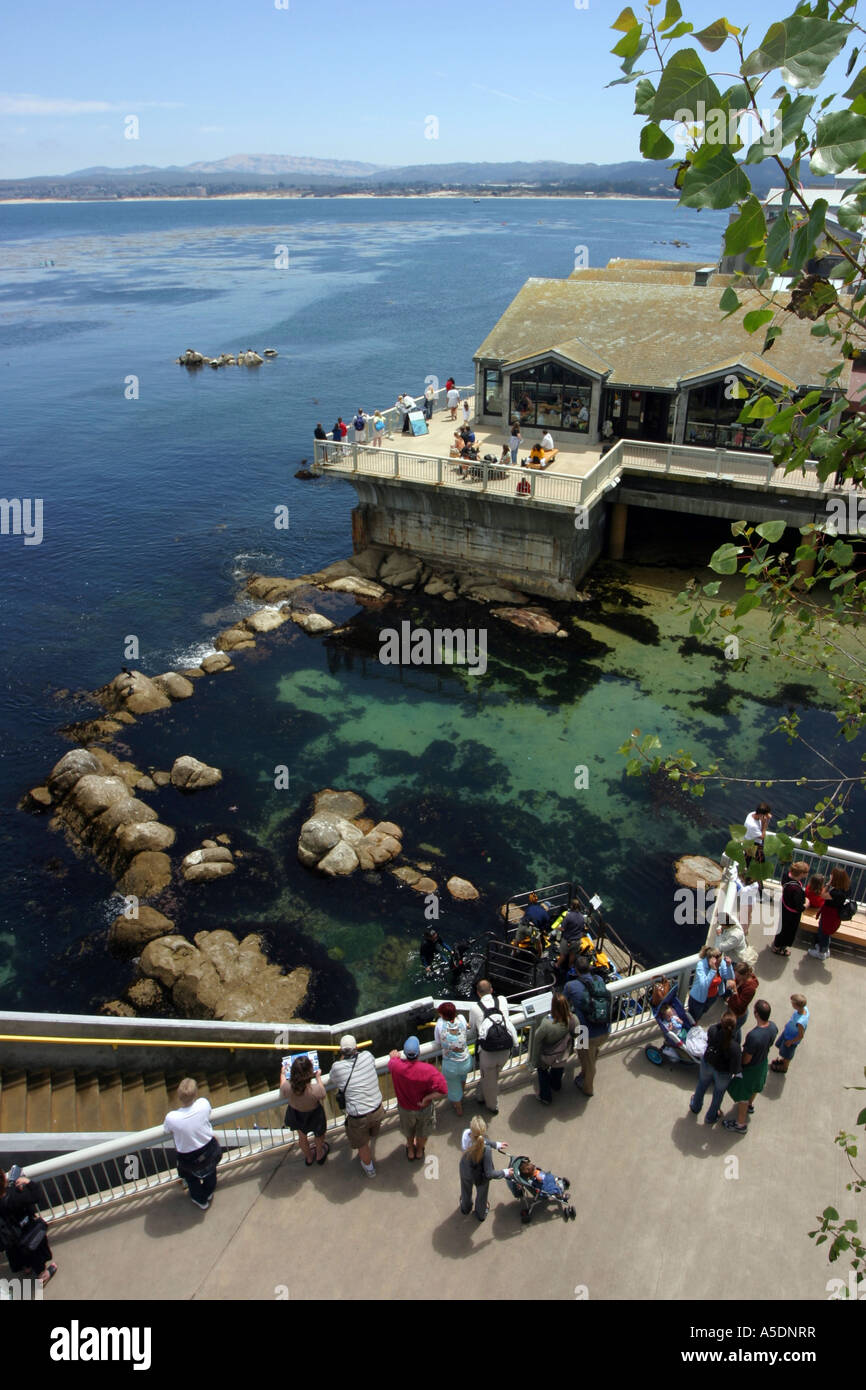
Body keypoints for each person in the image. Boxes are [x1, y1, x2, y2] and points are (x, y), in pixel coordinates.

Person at [327, 1035, 384, 1178]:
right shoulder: (367, 1056)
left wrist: (341, 1061)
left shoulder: (337, 1067)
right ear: (356, 1048)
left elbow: (334, 1078)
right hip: (378, 1109)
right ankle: (370, 1138)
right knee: (372, 1132)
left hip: (359, 1117)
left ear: (341, 1051)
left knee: (362, 1144)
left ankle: (369, 1169)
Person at [164, 1078, 221, 1210]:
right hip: (209, 1151)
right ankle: (208, 1193)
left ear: (178, 1096)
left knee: (191, 1179)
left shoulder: (172, 1117)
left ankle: (200, 1199)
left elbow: (167, 1129)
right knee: (211, 1173)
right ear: (195, 1094)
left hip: (188, 1159)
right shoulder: (203, 1104)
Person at [388, 1036, 448, 1160]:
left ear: (404, 1053)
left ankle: (410, 1150)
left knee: (408, 1131)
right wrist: (427, 1099)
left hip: (405, 1109)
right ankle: (420, 1150)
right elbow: (443, 1090)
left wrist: (394, 1057)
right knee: (423, 1131)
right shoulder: (429, 1070)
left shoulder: (395, 1067)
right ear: (419, 1053)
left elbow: (392, 1060)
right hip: (424, 1108)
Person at [723, 1000, 778, 1132]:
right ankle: (750, 1105)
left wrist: (737, 1065)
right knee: (755, 1088)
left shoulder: (754, 1036)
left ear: (756, 1014)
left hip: (751, 1069)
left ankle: (740, 1124)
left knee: (743, 1095)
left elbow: (746, 1059)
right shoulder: (773, 1027)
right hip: (762, 1063)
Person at [467, 979, 519, 1115]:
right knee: (492, 1075)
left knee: (490, 1080)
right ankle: (480, 1093)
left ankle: (491, 1106)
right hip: (506, 1049)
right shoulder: (502, 1000)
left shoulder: (474, 1008)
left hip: (488, 1053)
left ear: (478, 993)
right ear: (491, 990)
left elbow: (472, 1032)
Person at [0, 1167, 57, 1285]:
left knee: (17, 1253)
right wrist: (27, 1182)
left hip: (10, 1238)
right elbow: (37, 1195)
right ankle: (43, 1276)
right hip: (26, 1232)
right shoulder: (14, 1196)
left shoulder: (10, 1195)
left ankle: (26, 1268)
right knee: (34, 1252)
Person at [564, 954, 611, 1096]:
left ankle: (587, 1088)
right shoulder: (599, 979)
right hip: (605, 1028)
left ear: (576, 970)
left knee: (588, 1062)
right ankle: (584, 1073)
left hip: (586, 1033)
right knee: (590, 1053)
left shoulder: (570, 986)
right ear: (589, 967)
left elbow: (564, 1004)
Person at [689, 1009, 742, 1125]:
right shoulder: (735, 1048)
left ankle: (695, 1107)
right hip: (723, 1073)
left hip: (707, 1064)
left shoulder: (713, 1030)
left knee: (702, 1085)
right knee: (718, 1094)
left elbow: (711, 1038)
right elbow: (735, 1068)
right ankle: (711, 1117)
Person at [529, 992, 579, 1105]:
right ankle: (556, 1086)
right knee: (558, 1070)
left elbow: (537, 1042)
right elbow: (578, 1032)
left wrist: (535, 1060)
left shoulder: (546, 1024)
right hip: (563, 1054)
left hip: (547, 1055)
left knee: (542, 1072)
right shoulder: (573, 1019)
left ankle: (545, 1096)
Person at [459, 1116, 512, 1222]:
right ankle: (480, 1213)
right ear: (483, 1132)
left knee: (465, 1189)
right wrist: (505, 1172)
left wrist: (495, 1144)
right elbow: (489, 1173)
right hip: (480, 1177)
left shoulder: (466, 1134)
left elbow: (480, 1139)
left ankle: (465, 1207)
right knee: (482, 1195)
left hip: (465, 1169)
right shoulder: (486, 1150)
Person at [280, 1054, 329, 1167]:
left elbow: (282, 1084)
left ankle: (309, 1157)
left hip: (296, 1114)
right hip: (315, 1115)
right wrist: (318, 1078)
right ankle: (319, 1154)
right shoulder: (315, 1090)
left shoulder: (288, 1088)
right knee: (319, 1135)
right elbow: (322, 1093)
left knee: (302, 1138)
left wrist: (282, 1073)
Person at [435, 1002, 471, 1115]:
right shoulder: (461, 1018)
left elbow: (437, 1041)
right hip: (466, 1061)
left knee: (453, 1087)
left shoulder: (440, 1024)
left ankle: (459, 1108)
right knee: (463, 1077)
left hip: (451, 1065)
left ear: (443, 1015)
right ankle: (462, 1094)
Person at [808, 866, 851, 959]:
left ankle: (821, 952)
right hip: (835, 914)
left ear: (835, 878)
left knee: (824, 932)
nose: (830, 875)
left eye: (832, 875)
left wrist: (828, 884)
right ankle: (824, 948)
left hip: (829, 915)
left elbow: (822, 895)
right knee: (827, 932)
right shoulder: (846, 889)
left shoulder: (835, 893)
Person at [687, 944, 734, 1022]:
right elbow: (704, 985)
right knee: (693, 1018)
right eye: (718, 964)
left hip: (712, 997)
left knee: (702, 1012)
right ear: (711, 961)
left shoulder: (720, 962)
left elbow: (730, 977)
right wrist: (713, 970)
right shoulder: (701, 965)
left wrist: (729, 966)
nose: (720, 965)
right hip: (698, 999)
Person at [773, 861, 809, 956]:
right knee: (788, 931)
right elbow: (799, 908)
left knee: (781, 927)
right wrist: (807, 904)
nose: (807, 874)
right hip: (792, 914)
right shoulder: (796, 889)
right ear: (801, 874)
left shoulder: (786, 876)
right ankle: (779, 948)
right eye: (806, 872)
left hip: (785, 906)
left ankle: (776, 944)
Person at [770, 994, 809, 1073]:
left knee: (787, 1055)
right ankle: (783, 1061)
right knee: (785, 1052)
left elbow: (801, 1035)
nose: (791, 1004)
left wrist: (791, 1042)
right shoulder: (804, 1009)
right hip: (787, 1034)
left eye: (792, 1003)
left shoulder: (800, 1022)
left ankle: (784, 1067)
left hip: (791, 1039)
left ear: (796, 1006)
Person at [726, 961, 758, 1040]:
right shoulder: (741, 979)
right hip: (733, 1009)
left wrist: (734, 990)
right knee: (737, 1030)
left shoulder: (750, 989)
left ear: (744, 975)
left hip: (738, 1014)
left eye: (737, 976)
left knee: (730, 1033)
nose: (735, 978)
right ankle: (737, 1042)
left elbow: (740, 1005)